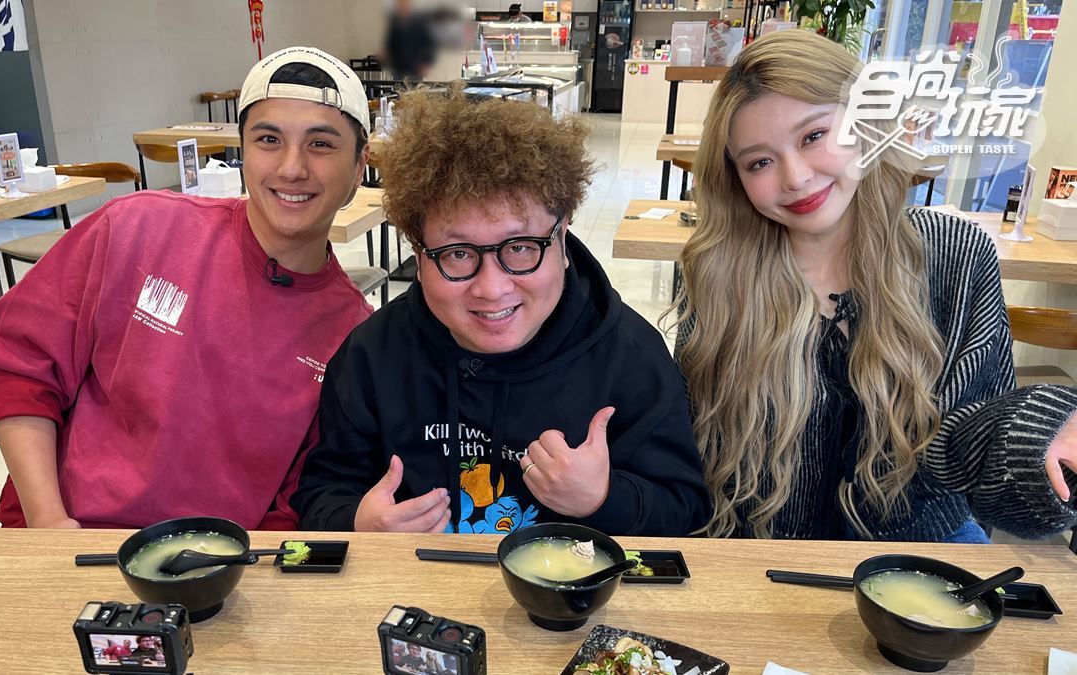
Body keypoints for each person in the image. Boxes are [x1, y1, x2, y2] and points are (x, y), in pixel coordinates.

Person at [669, 30, 1077, 541]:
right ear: (736, 178)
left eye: (813, 136)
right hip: (754, 550)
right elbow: (694, 447)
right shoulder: (716, 272)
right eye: (760, 162)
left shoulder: (955, 255)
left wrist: (1041, 435)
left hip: (918, 550)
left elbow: (978, 454)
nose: (795, 177)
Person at [0, 47, 374, 530]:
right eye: (268, 139)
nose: (291, 168)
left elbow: (300, 499)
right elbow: (18, 369)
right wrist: (48, 522)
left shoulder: (352, 336)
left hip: (220, 562)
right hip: (69, 536)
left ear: (359, 166)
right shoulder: (137, 229)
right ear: (242, 151)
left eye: (321, 144)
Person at [292, 86, 710, 536]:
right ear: (418, 251)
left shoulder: (630, 356)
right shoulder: (371, 356)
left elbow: (686, 507)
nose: (492, 289)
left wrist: (604, 499)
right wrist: (360, 522)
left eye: (521, 247)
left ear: (562, 237)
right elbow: (321, 493)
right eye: (457, 254)